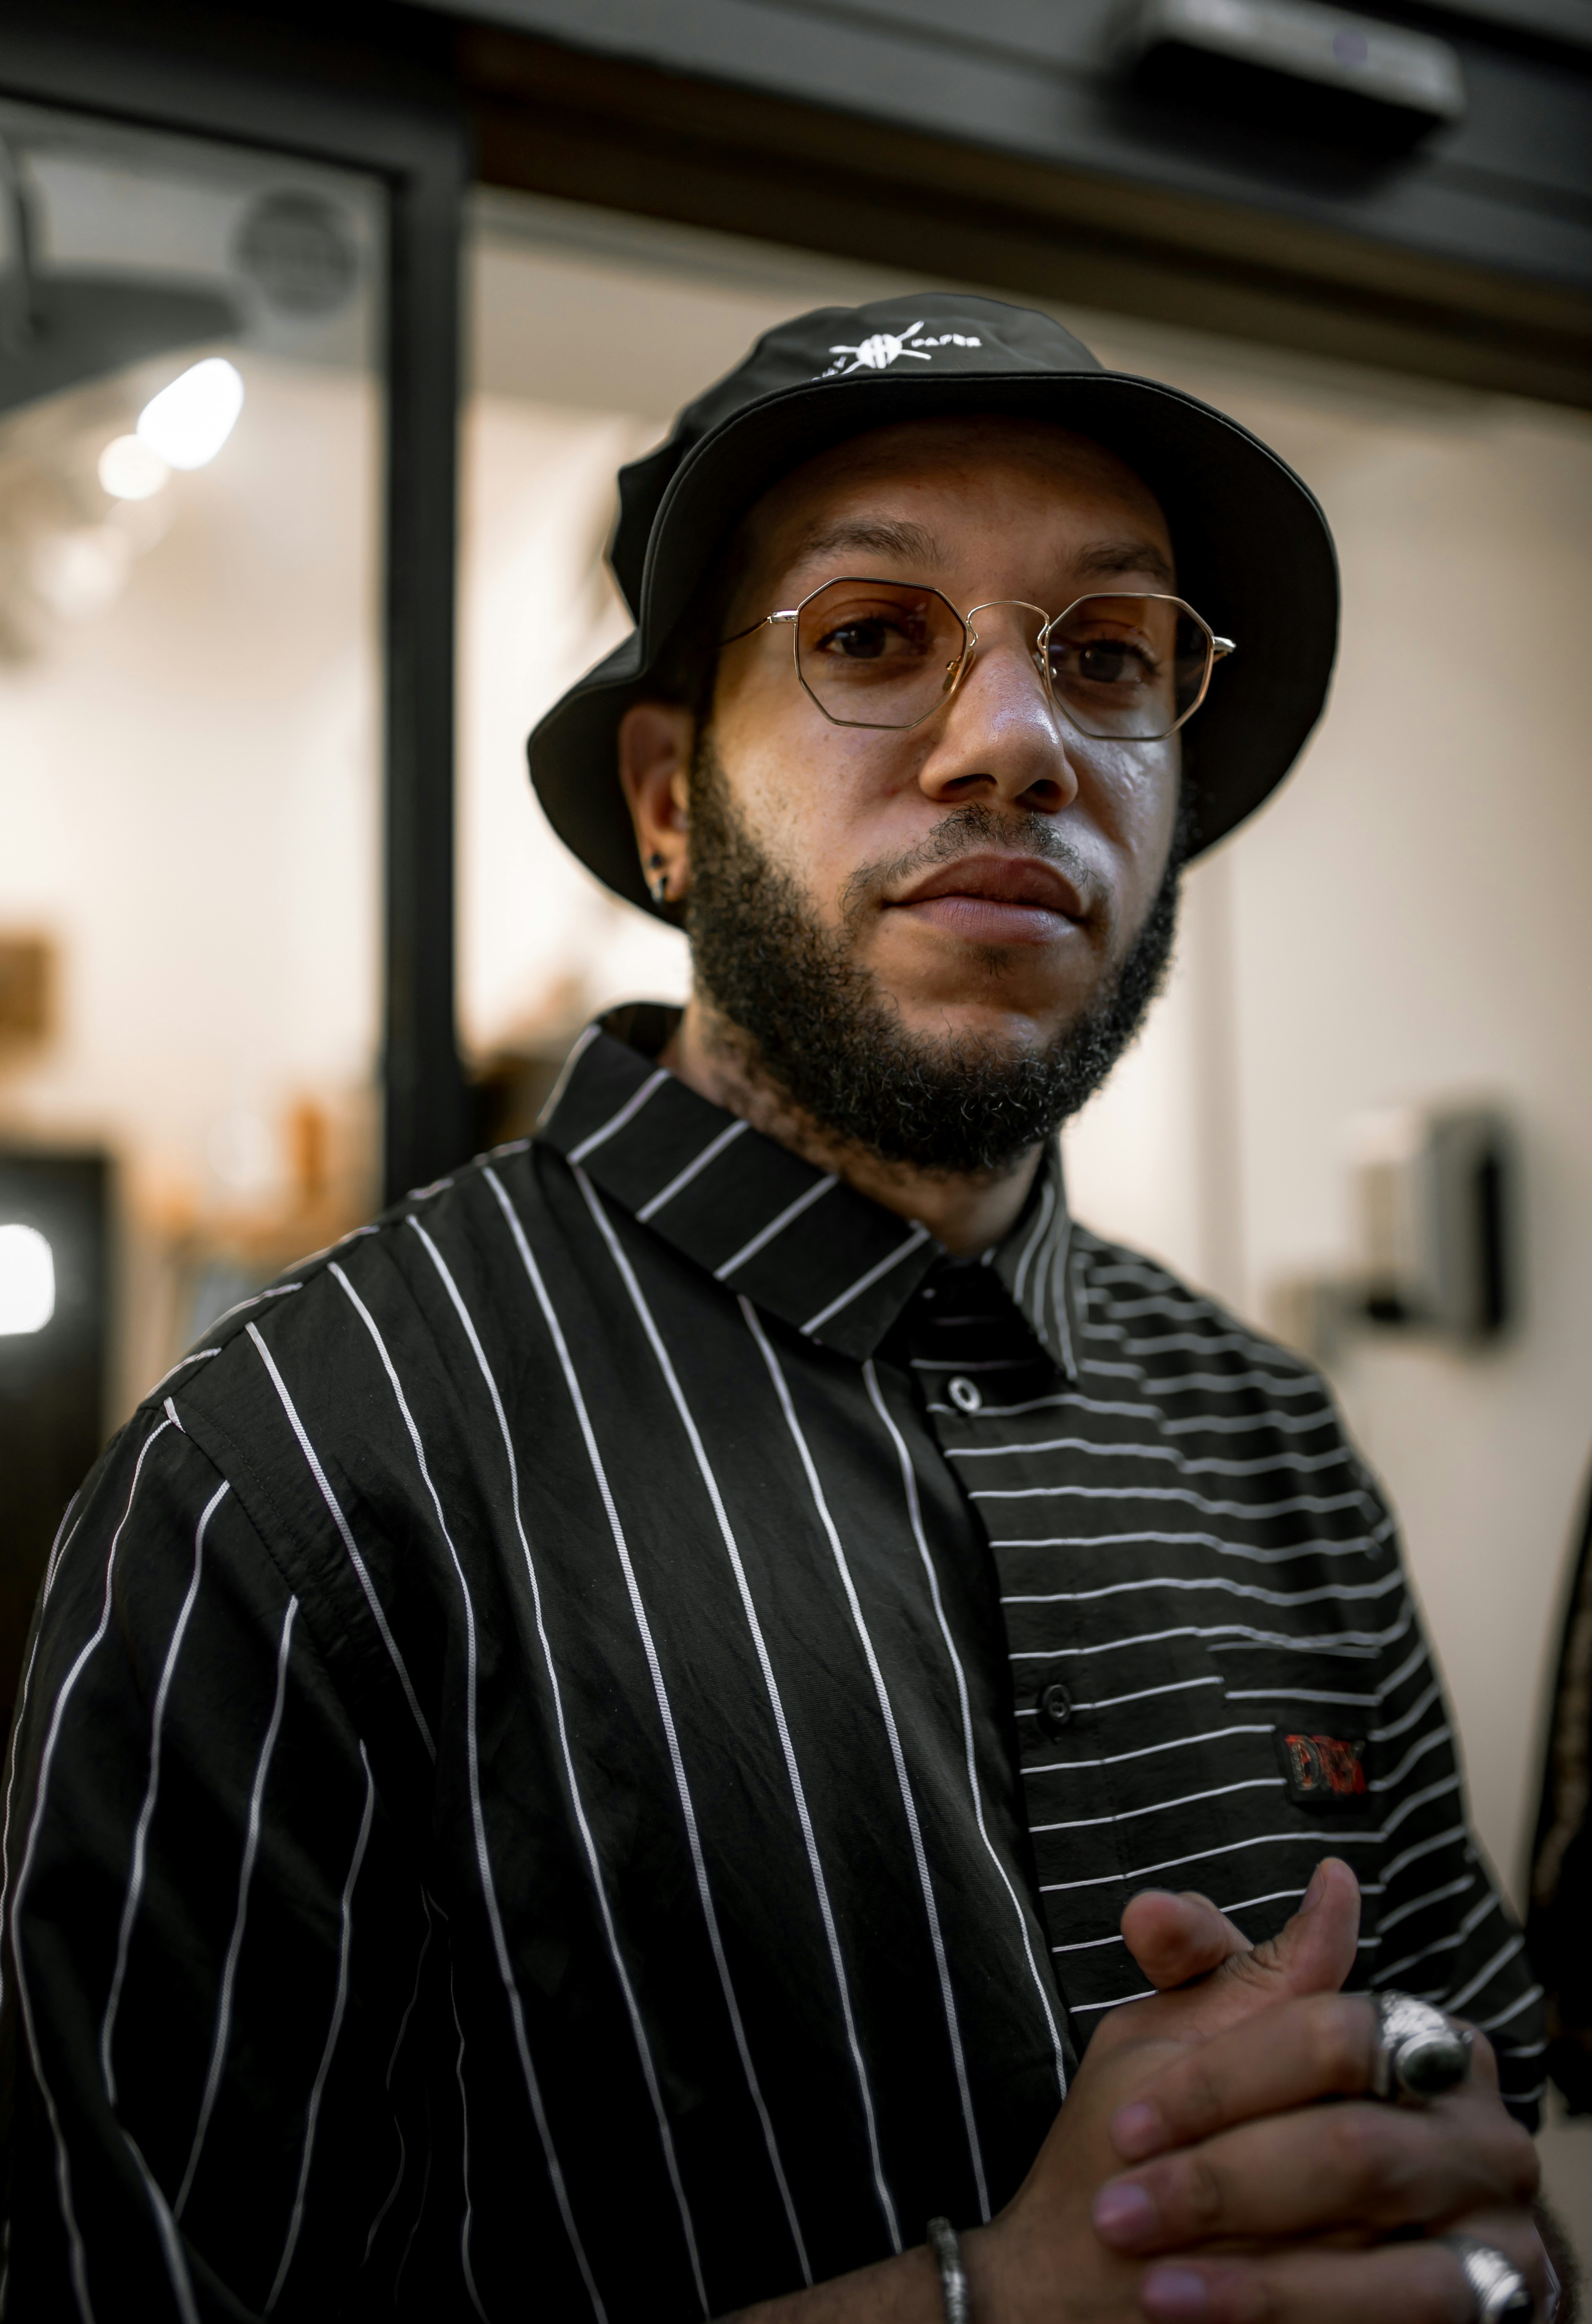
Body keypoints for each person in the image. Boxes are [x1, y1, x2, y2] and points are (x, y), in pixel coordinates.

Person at [0, 294, 1562, 2321]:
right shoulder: (291, 1475)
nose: (1021, 738)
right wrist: (989, 2300)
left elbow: (1483, 2125)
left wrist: (1483, 2239)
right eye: (870, 635)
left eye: (1110, 656)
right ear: (667, 805)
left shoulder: (1275, 1440)